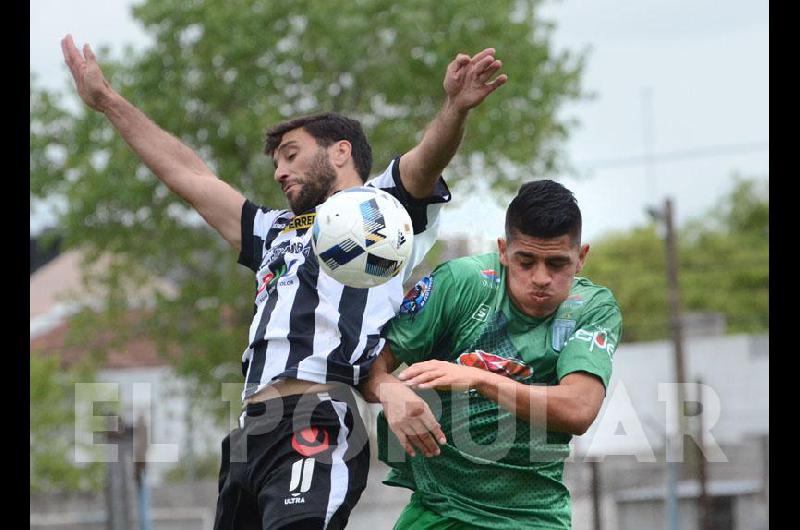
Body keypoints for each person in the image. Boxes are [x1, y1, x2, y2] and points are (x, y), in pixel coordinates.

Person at [61, 34, 507, 529]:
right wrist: (108, 102)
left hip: (315, 418)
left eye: (291, 155)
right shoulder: (273, 228)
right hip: (249, 433)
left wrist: (455, 108)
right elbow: (189, 175)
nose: (279, 171)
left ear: (341, 152)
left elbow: (428, 156)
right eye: (275, 162)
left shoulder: (382, 206)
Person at [361, 180, 623, 529]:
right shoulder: (461, 283)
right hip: (440, 508)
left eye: (557, 264)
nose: (541, 278)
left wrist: (480, 378)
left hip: (532, 515)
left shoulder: (592, 308)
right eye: (525, 261)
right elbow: (369, 367)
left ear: (581, 258)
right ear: (503, 250)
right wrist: (387, 389)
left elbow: (579, 409)